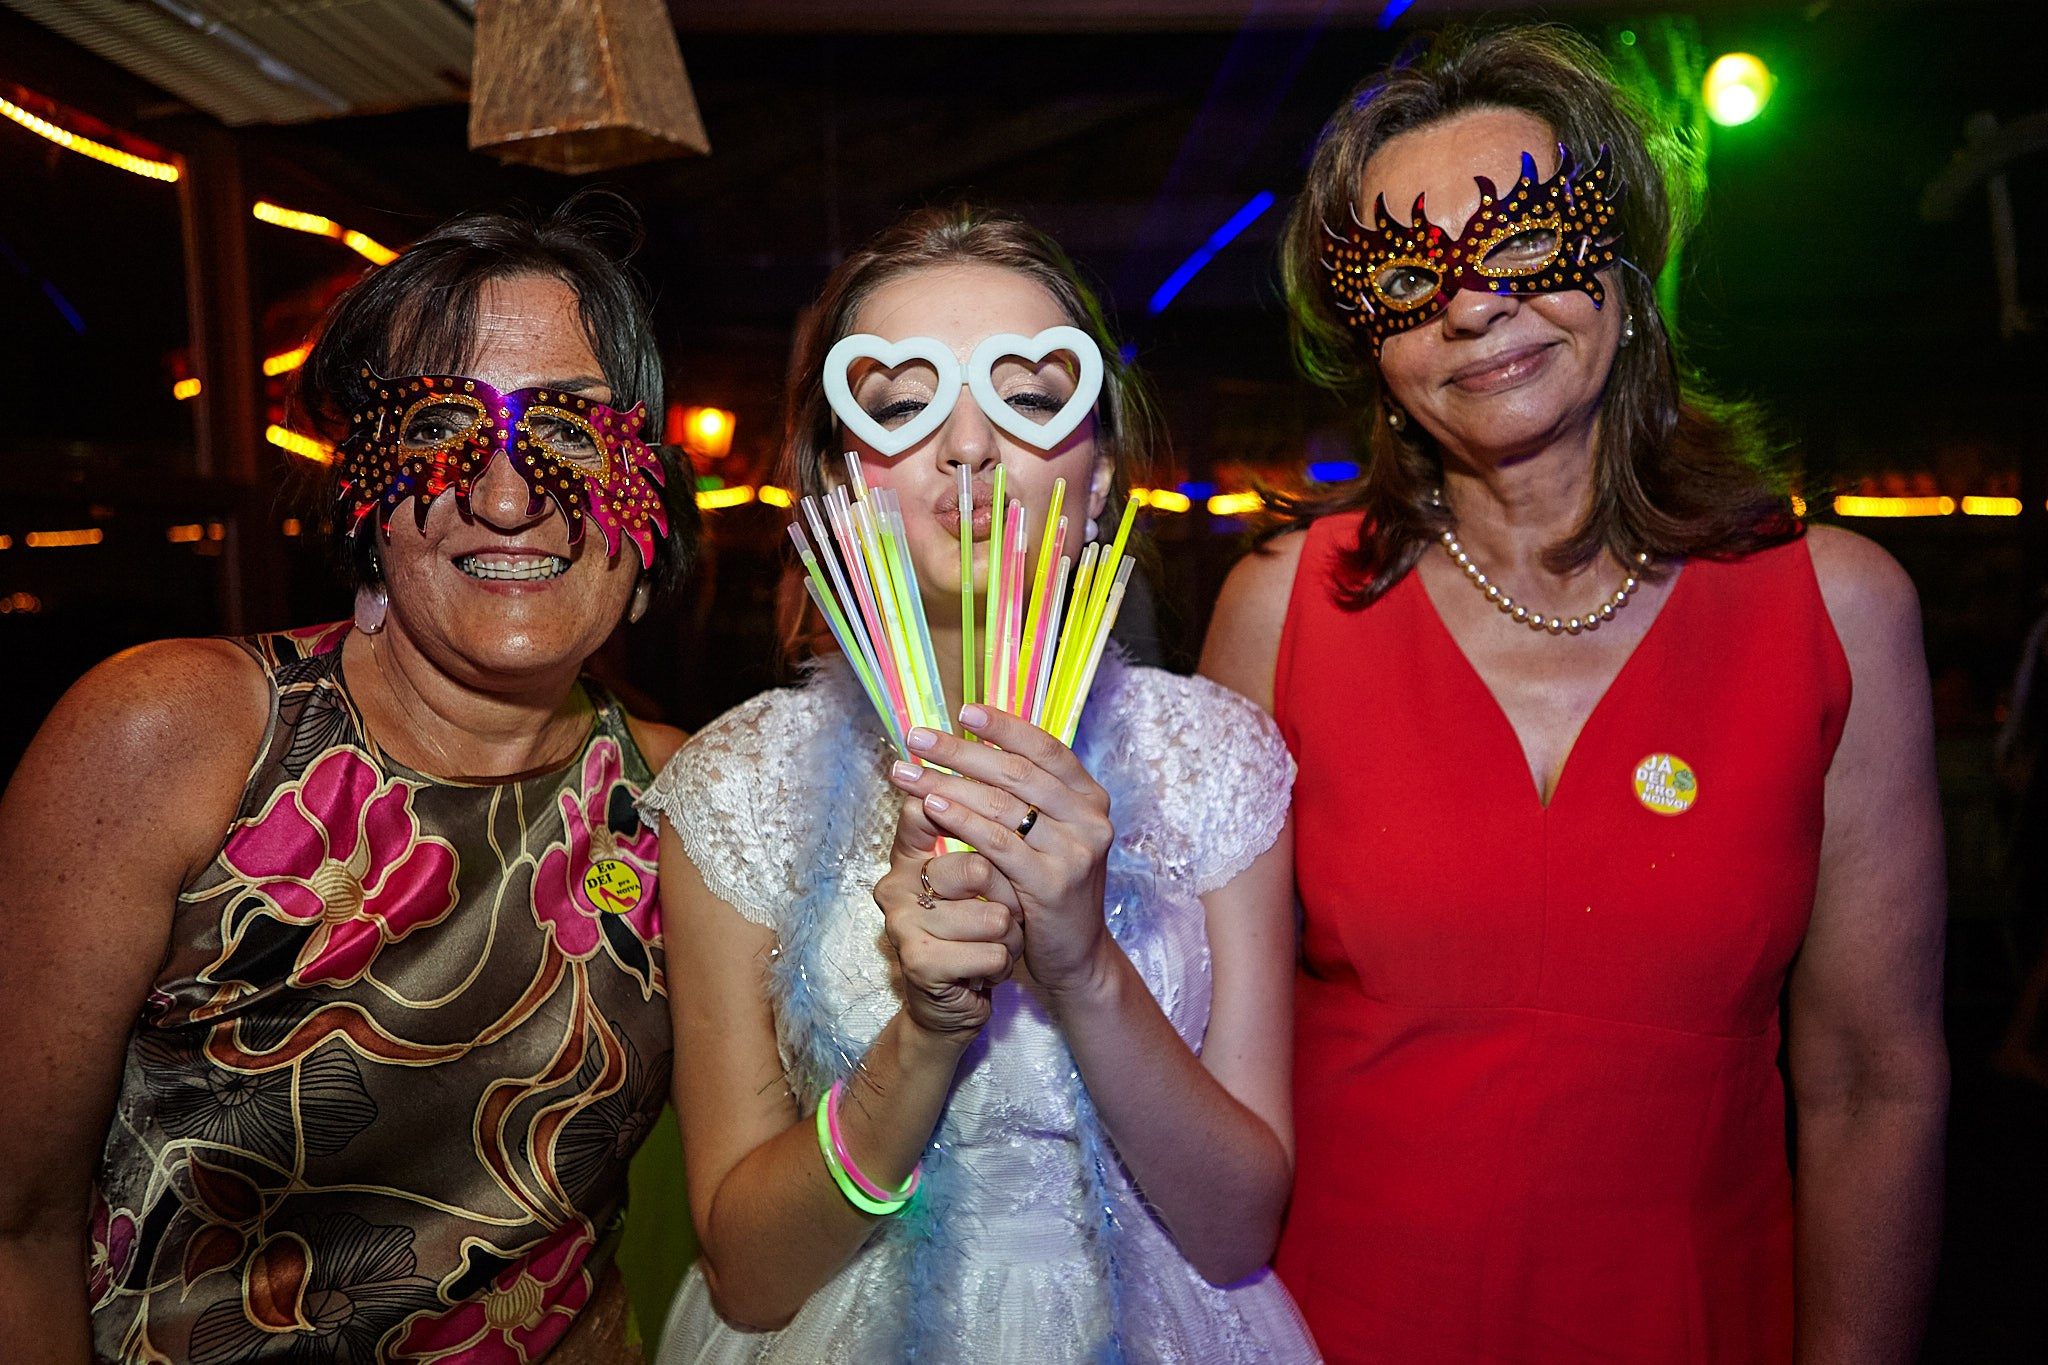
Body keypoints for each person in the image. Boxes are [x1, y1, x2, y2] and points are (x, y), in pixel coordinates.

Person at [1199, 25, 1948, 1365]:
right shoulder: (1282, 611)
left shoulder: (1837, 609)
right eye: (1403, 275)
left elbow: (1871, 1082)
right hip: (1337, 1328)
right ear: (1363, 334)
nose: (1473, 307)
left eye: (1525, 240)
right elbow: (1194, 1050)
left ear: (1622, 257)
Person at [0, 196, 698, 1362]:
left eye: (571, 435)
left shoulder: (687, 799)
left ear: (648, 512)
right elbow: (14, 1219)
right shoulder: (175, 733)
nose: (509, 495)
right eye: (438, 429)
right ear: (366, 510)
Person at [640, 205, 1318, 1363]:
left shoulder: (1215, 760)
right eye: (901, 408)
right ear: (837, 478)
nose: (967, 448)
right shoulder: (735, 787)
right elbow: (749, 1276)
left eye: (1031, 398)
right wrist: (924, 1028)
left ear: (1098, 477)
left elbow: (1235, 1225)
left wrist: (1083, 964)